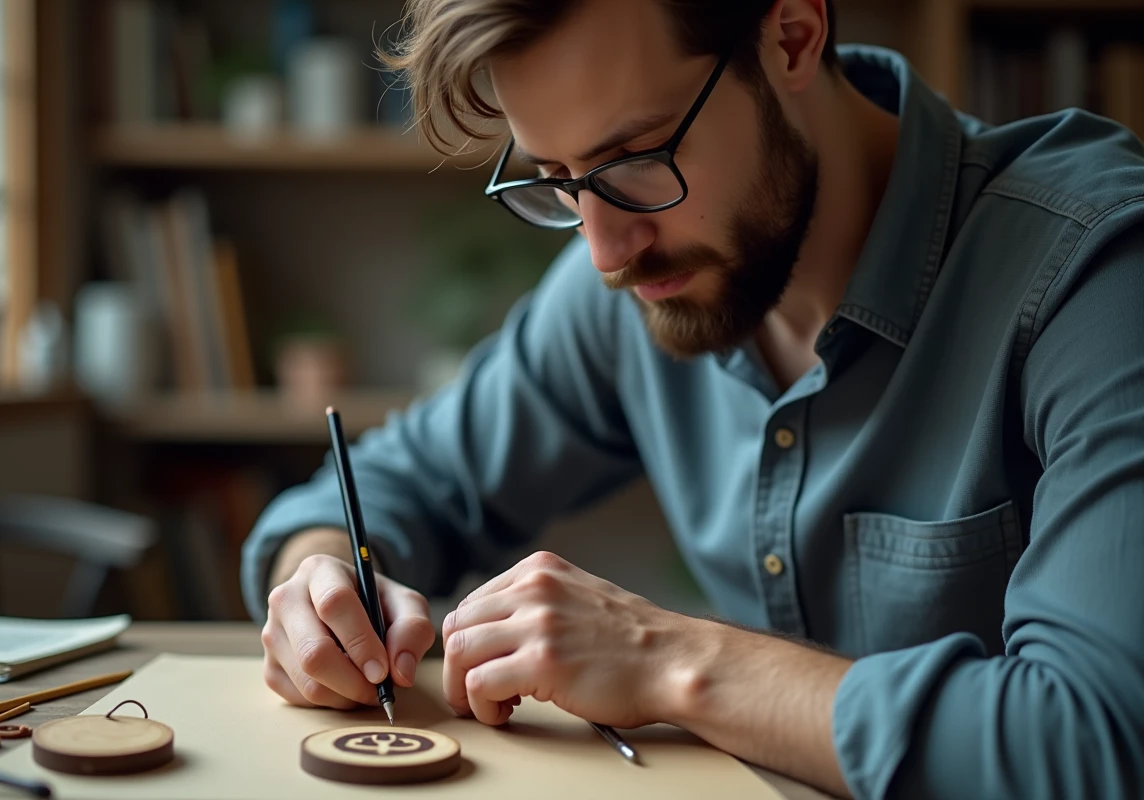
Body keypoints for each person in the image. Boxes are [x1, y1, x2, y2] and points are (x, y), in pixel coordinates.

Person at [242, 0, 1144, 796]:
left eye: (635, 157)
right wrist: (319, 578)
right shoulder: (641, 276)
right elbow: (397, 482)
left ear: (791, 35)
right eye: (556, 178)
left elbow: (1094, 746)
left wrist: (663, 659)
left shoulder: (1097, 276)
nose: (603, 252)